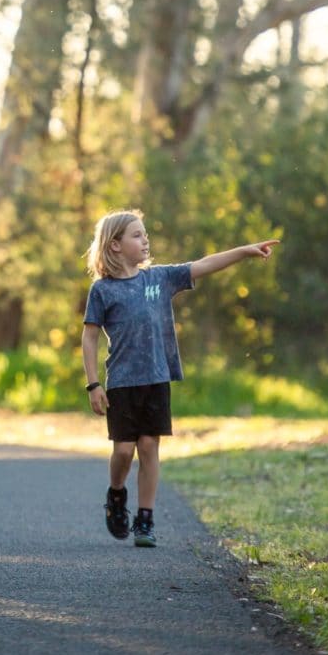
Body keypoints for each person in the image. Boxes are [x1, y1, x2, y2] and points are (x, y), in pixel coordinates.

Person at [81, 209, 278, 548]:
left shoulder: (160, 278)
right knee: (125, 452)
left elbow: (204, 264)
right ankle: (116, 494)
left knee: (149, 446)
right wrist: (93, 384)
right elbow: (89, 337)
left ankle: (145, 519)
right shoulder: (103, 291)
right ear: (115, 246)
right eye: (137, 235)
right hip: (122, 383)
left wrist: (245, 251)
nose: (146, 241)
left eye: (145, 234)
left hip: (157, 378)